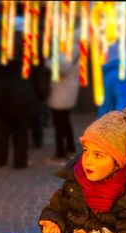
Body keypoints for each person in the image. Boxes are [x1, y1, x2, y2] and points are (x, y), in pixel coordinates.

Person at [39, 104, 126, 233]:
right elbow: (56, 207)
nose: (87, 160)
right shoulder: (75, 180)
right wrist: (53, 223)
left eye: (98, 155)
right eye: (86, 150)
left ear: (118, 162)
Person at [0, 19, 40, 169]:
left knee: (3, 129)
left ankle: (1, 159)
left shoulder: (3, 46)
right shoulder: (30, 47)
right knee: (22, 130)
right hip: (24, 91)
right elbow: (36, 71)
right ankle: (20, 161)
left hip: (5, 91)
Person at [46, 34, 80, 163]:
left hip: (62, 90)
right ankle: (70, 148)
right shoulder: (75, 48)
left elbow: (63, 68)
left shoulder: (69, 50)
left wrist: (48, 62)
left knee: (59, 121)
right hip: (68, 88)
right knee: (64, 120)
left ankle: (60, 153)